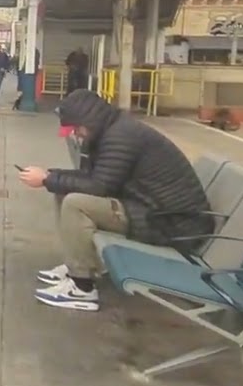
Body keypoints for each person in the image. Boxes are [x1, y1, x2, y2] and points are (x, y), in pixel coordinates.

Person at [17, 89, 214, 311]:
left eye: (76, 129)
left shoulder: (121, 136)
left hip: (171, 223)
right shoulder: (111, 131)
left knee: (76, 204)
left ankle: (82, 288)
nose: (76, 135)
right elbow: (96, 177)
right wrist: (50, 176)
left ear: (88, 120)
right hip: (152, 209)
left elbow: (99, 187)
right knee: (62, 190)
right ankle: (78, 264)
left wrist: (47, 179)